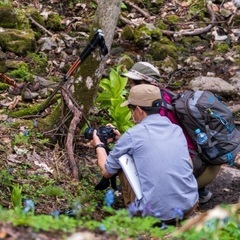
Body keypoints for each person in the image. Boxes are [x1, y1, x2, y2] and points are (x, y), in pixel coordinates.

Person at [90, 84, 199, 223]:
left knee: (123, 162)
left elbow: (106, 171)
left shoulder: (133, 135)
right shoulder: (175, 129)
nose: (131, 113)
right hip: (188, 206)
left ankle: (137, 214)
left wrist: (99, 144)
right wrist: (121, 139)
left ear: (139, 110)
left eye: (131, 108)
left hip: (155, 216)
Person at [122, 61, 221, 204]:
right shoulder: (167, 95)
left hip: (193, 163)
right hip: (203, 156)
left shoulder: (154, 107)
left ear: (142, 82)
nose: (130, 86)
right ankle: (200, 191)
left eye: (132, 83)